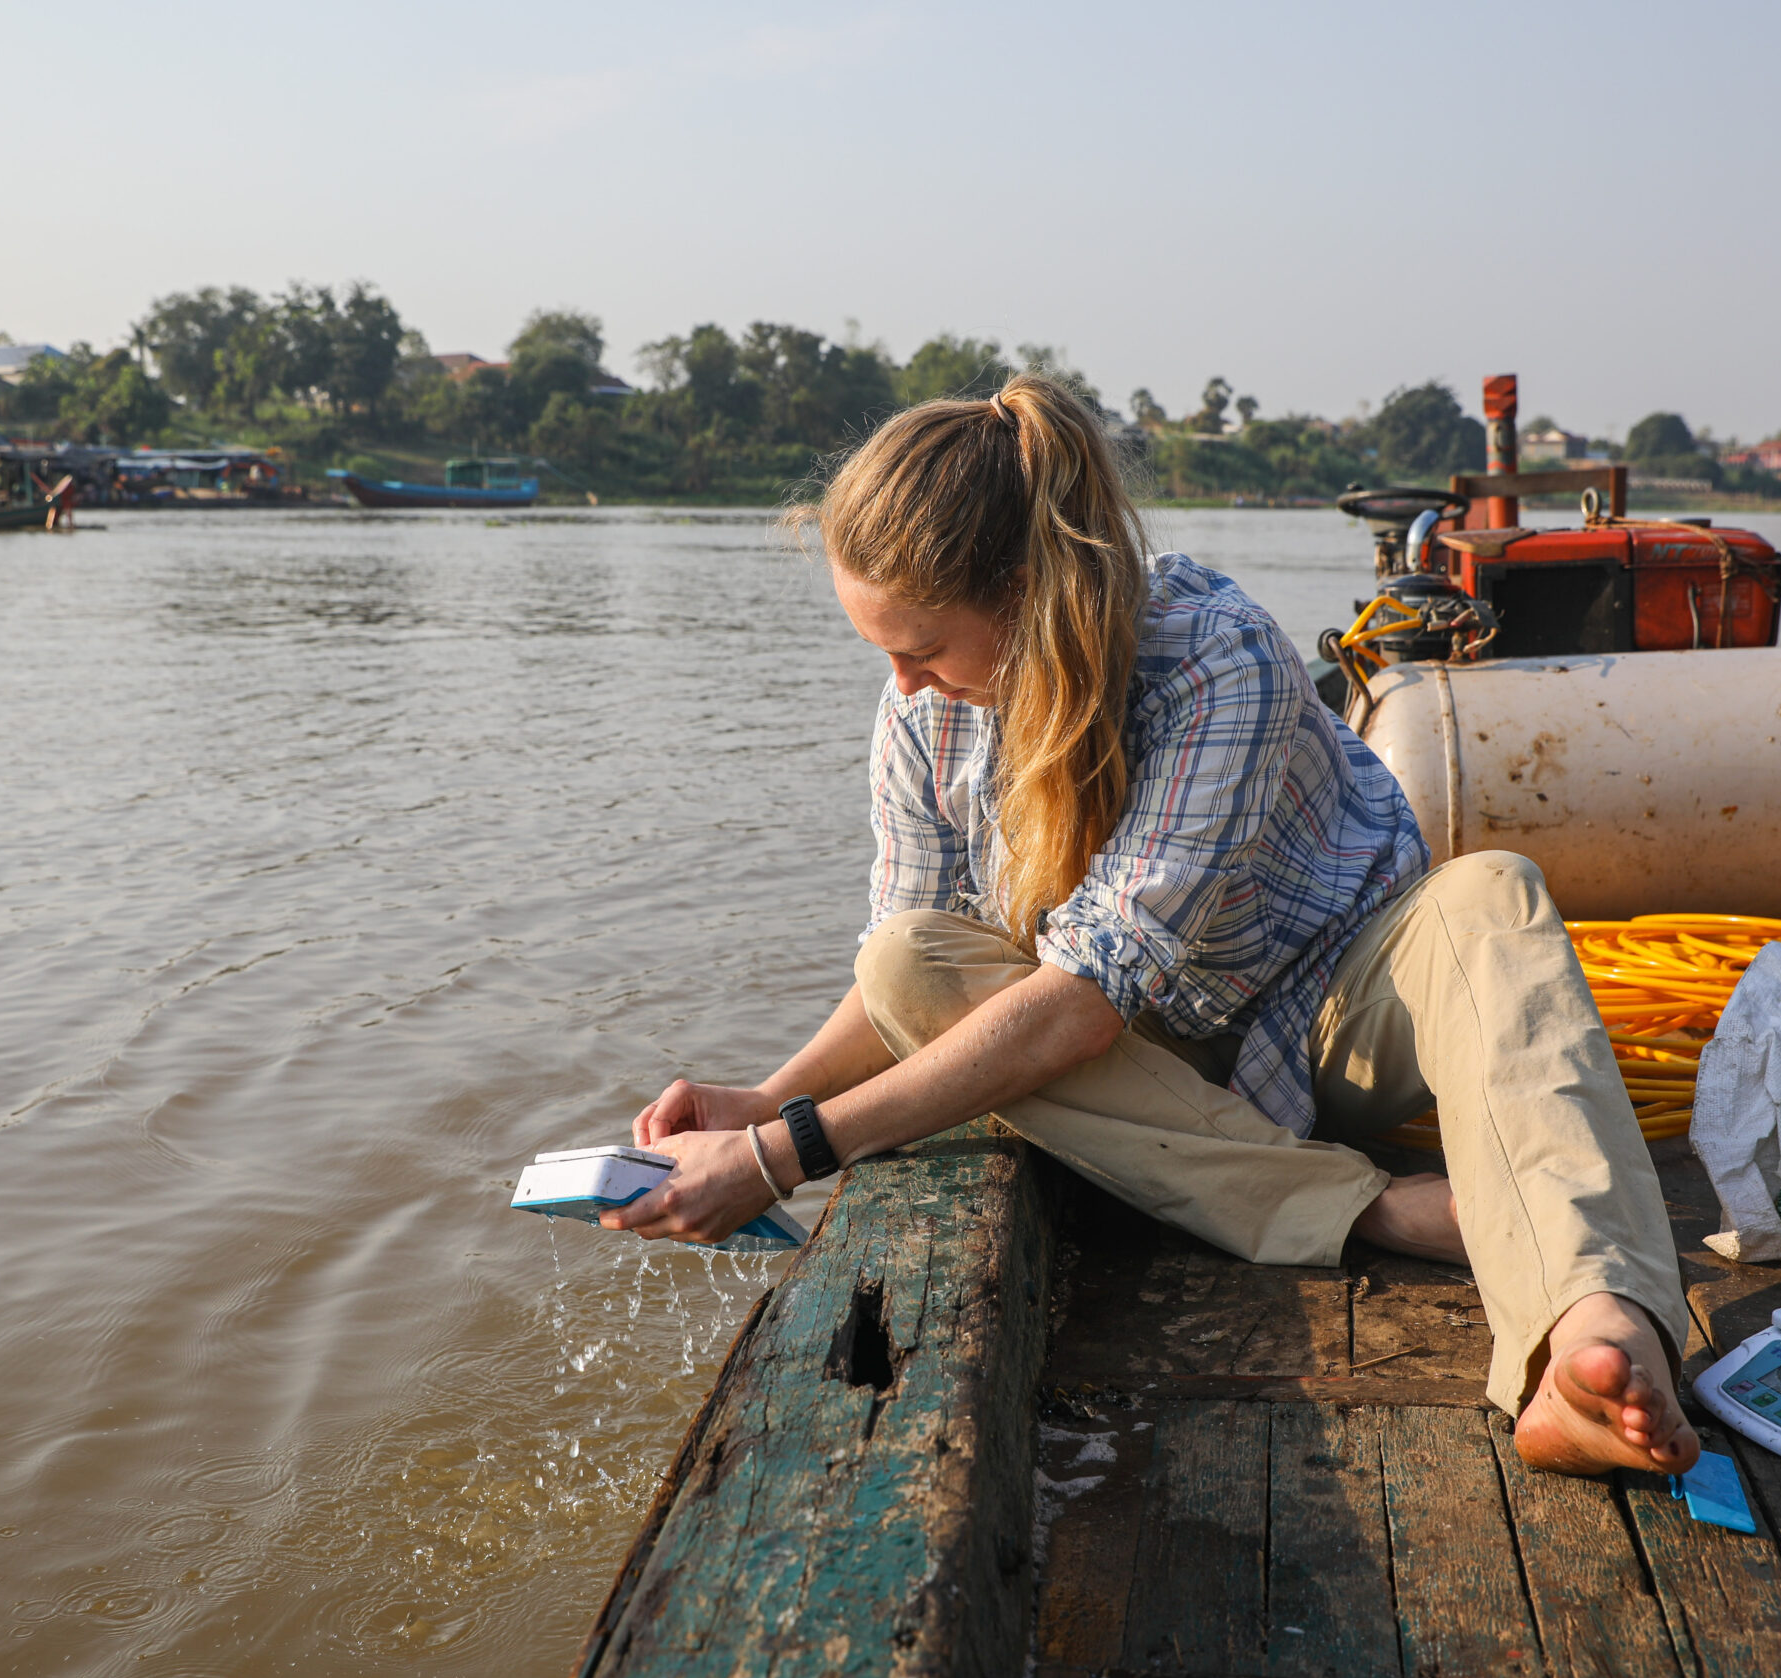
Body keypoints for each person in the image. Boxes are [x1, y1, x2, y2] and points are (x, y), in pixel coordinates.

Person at [608, 373, 1696, 1478]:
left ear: (1028, 589)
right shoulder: (922, 711)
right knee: (904, 956)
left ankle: (1591, 1333)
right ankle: (1364, 1208)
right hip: (1153, 1069)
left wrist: (780, 1156)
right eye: (886, 654)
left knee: (1491, 893)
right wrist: (769, 1100)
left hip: (1328, 1020)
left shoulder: (1216, 657)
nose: (902, 683)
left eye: (923, 648)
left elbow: (1084, 1000)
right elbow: (917, 963)